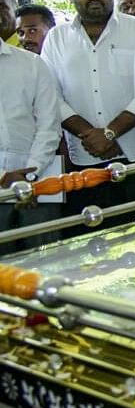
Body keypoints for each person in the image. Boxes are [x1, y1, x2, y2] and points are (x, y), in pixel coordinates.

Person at [41, 0, 135, 226]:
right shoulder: (56, 38)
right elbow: (50, 96)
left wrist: (110, 132)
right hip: (85, 158)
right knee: (96, 238)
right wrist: (91, 135)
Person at [0, 38, 64, 254]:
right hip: (6, 180)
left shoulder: (32, 63)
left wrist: (29, 178)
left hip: (38, 182)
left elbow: (49, 124)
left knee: (45, 262)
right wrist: (3, 177)